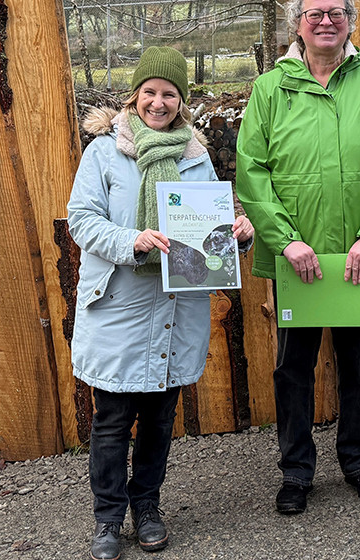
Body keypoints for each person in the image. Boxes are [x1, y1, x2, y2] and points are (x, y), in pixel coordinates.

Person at [236, 0, 360, 515]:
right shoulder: (271, 89)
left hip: (359, 258)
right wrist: (286, 241)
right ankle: (296, 471)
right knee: (293, 369)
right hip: (299, 263)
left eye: (335, 12)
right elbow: (252, 171)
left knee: (357, 367)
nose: (325, 21)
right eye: (314, 13)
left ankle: (358, 462)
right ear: (298, 22)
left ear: (349, 21)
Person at [67, 46, 254, 559]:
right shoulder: (104, 153)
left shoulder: (195, 156)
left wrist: (236, 233)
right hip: (121, 305)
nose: (158, 102)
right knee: (111, 419)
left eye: (169, 93)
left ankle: (146, 506)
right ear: (135, 95)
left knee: (159, 417)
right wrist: (133, 241)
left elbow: (211, 221)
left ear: (181, 101)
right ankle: (107, 520)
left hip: (175, 307)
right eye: (150, 92)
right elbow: (82, 220)